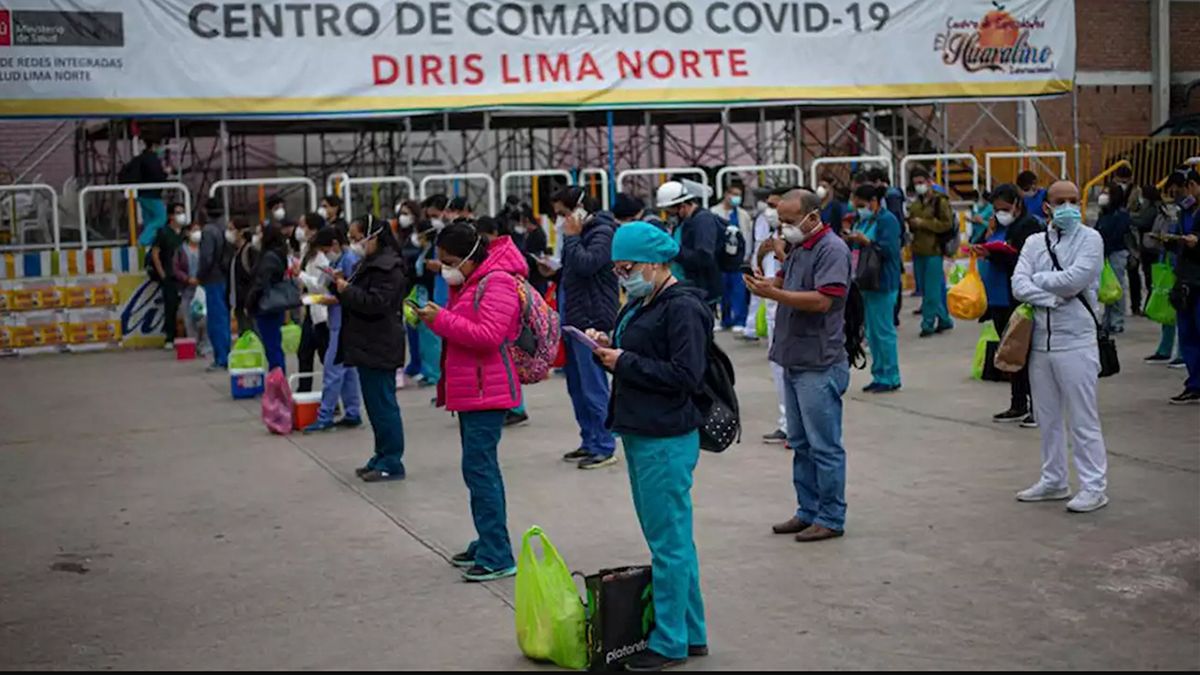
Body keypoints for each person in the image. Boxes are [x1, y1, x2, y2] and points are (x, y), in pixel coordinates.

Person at [585, 221, 710, 671]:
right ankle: (691, 632)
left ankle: (671, 641)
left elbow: (686, 375)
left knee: (668, 544)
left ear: (657, 263)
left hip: (666, 437)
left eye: (629, 267)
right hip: (642, 430)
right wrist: (607, 345)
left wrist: (626, 362)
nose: (624, 276)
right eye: (618, 269)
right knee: (675, 539)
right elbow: (641, 355)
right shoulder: (643, 301)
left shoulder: (683, 307)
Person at [415, 222, 525, 582]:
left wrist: (441, 319)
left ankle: (497, 553)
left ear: (468, 257)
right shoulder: (473, 282)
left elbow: (489, 336)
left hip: (486, 391)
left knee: (481, 471)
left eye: (448, 261)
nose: (444, 268)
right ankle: (487, 540)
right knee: (476, 470)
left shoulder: (497, 281)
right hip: (473, 389)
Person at [745, 188, 852, 543]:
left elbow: (823, 300)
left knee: (824, 445)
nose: (785, 228)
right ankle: (808, 510)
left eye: (790, 221)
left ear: (812, 216)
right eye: (781, 222)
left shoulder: (831, 250)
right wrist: (768, 284)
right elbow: (787, 283)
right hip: (794, 357)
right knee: (801, 443)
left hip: (819, 361)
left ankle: (831, 516)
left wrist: (776, 294)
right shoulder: (800, 248)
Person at [1011, 180, 1110, 513]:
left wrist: (1038, 283)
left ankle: (1094, 486)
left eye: (1073, 200)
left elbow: (1076, 280)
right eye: (1060, 201)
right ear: (1047, 207)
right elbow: (1018, 284)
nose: (1068, 206)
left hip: (1076, 341)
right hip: (1040, 343)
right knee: (1047, 417)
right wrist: (1050, 297)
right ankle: (1054, 480)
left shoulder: (1091, 239)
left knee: (1083, 418)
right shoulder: (1034, 242)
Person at [333, 214, 409, 481]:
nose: (354, 244)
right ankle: (381, 454)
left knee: (384, 405)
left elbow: (378, 303)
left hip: (380, 343)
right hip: (368, 343)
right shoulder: (371, 263)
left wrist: (347, 291)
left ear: (373, 236)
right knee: (375, 406)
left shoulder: (388, 267)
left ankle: (392, 460)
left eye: (357, 238)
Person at [551, 187, 620, 469]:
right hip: (573, 312)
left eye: (563, 213)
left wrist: (571, 238)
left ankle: (604, 444)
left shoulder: (602, 232)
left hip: (591, 318)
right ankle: (589, 439)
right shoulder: (580, 235)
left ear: (578, 209)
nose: (560, 220)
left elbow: (588, 264)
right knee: (577, 384)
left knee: (593, 385)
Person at [972, 184, 1045, 427]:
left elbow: (1025, 260)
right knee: (1010, 352)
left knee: (1027, 352)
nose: (999, 213)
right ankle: (1018, 403)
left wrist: (995, 254)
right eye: (996, 209)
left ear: (1017, 204)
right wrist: (986, 237)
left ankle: (1038, 406)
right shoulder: (998, 227)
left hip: (1017, 298)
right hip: (998, 297)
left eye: (1003, 208)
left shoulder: (1028, 226)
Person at [302, 227, 363, 433]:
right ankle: (353, 411)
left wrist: (325, 298)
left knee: (332, 369)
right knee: (347, 371)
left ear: (335, 245)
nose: (326, 255)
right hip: (340, 319)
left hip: (343, 321)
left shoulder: (348, 260)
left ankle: (325, 415)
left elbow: (348, 293)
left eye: (326, 250)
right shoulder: (342, 260)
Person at [845, 184, 902, 393]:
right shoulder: (865, 219)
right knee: (871, 331)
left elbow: (890, 250)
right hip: (865, 281)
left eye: (860, 204)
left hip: (883, 281)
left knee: (883, 331)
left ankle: (891, 375)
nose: (858, 208)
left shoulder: (887, 220)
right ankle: (879, 373)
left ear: (873, 202)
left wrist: (866, 241)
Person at [657, 180, 722, 308]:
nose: (669, 215)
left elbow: (704, 257)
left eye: (670, 211)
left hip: (698, 291)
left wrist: (675, 251)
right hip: (684, 289)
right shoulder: (684, 222)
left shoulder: (703, 221)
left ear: (682, 205)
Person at [907, 167, 955, 337]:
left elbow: (947, 224)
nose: (919, 186)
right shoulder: (916, 204)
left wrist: (924, 223)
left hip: (934, 250)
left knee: (932, 290)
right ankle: (944, 319)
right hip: (919, 249)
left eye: (921, 182)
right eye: (916, 184)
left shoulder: (940, 201)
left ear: (929, 182)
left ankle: (927, 324)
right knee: (927, 289)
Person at [1167, 169, 1200, 404]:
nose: (1185, 193)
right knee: (1187, 333)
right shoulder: (1184, 212)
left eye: (1189, 186)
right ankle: (1194, 383)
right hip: (1185, 279)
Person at [1145, 175, 1185, 365]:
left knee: (1183, 310)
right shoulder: (1165, 212)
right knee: (1166, 305)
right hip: (1167, 260)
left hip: (1183, 264)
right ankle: (1165, 349)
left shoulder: (1189, 210)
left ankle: (1183, 354)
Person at [246, 224, 290, 373]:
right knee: (273, 345)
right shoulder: (276, 254)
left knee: (272, 347)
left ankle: (277, 383)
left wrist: (250, 303)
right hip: (273, 306)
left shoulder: (269, 257)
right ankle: (277, 380)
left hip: (266, 306)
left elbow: (261, 283)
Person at [711, 180, 754, 332]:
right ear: (726, 194)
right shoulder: (714, 212)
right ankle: (724, 319)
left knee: (738, 290)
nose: (737, 198)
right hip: (720, 259)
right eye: (734, 194)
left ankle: (739, 320)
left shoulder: (743, 215)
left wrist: (747, 255)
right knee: (721, 291)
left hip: (738, 259)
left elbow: (748, 236)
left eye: (739, 195)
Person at [296, 212, 330, 392]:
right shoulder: (306, 250)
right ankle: (304, 391)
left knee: (325, 356)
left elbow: (319, 285)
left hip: (321, 311)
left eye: (305, 227)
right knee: (304, 353)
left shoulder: (322, 257)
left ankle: (332, 398)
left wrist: (299, 274)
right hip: (310, 309)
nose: (301, 231)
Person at [197, 199, 231, 369]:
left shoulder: (209, 230)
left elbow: (206, 258)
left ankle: (221, 358)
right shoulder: (225, 228)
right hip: (225, 277)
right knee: (223, 319)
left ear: (205, 211)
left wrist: (200, 276)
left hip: (213, 278)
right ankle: (226, 354)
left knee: (216, 320)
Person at [151, 202, 188, 349]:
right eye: (178, 212)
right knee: (170, 306)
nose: (181, 215)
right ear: (171, 216)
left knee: (188, 306)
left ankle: (189, 335)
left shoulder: (185, 233)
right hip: (170, 275)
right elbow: (155, 253)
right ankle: (170, 337)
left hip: (185, 276)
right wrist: (162, 273)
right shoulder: (164, 232)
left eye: (182, 212)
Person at [1096, 184, 1132, 333]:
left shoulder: (1121, 215)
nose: (1103, 196)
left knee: (1116, 287)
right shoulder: (1104, 214)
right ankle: (1107, 320)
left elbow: (1116, 234)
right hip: (1105, 253)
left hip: (1116, 253)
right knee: (1107, 287)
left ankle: (1117, 321)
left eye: (1106, 193)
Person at [173, 222, 209, 357]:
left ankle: (205, 345)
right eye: (194, 230)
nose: (197, 233)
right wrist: (187, 279)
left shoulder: (205, 248)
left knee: (205, 318)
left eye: (198, 230)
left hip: (202, 289)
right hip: (187, 289)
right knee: (188, 318)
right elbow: (175, 268)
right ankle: (192, 344)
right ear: (187, 233)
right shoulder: (181, 250)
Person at [130, 136, 169, 247]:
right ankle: (143, 241)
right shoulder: (152, 160)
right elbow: (157, 176)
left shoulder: (140, 158)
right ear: (154, 146)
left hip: (141, 193)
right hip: (151, 194)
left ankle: (149, 244)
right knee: (161, 218)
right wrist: (165, 173)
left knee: (149, 218)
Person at [225, 216, 258, 337]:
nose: (228, 233)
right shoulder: (235, 252)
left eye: (231, 229)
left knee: (252, 335)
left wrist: (250, 301)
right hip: (239, 302)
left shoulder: (250, 251)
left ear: (241, 231)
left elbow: (255, 278)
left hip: (248, 302)